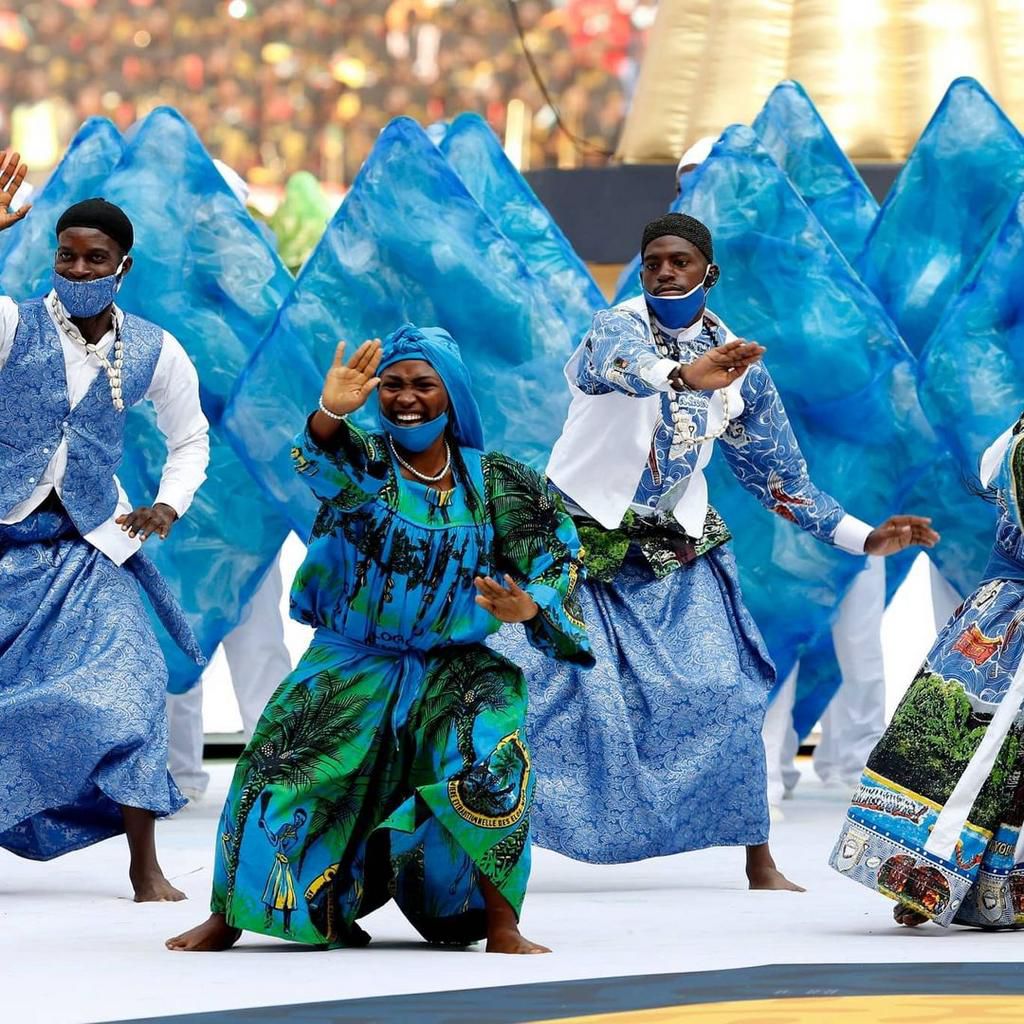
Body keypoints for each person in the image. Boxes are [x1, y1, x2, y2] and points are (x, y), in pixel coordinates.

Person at [507, 212, 937, 888]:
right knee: (525, 686)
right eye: (653, 262)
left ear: (709, 272)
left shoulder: (737, 364)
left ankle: (757, 859)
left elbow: (780, 477)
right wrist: (680, 376)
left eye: (680, 261)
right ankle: (486, 839)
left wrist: (863, 537)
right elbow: (615, 368)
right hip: (574, 537)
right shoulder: (614, 328)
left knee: (734, 687)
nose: (665, 272)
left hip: (676, 545)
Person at [167, 324, 592, 954]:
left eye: (423, 384)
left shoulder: (497, 481)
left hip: (457, 667)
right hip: (353, 659)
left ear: (452, 395)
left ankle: (502, 922)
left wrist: (531, 606)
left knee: (491, 756)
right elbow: (322, 465)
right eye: (391, 385)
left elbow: (561, 557)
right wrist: (329, 414)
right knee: (274, 771)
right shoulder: (365, 462)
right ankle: (229, 916)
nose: (406, 397)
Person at [0, 168, 211, 902]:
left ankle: (144, 865)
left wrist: (168, 505)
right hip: (4, 543)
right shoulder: (10, 324)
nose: (79, 270)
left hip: (89, 549)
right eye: (67, 256)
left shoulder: (155, 349)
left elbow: (192, 439)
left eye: (95, 259)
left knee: (133, 686)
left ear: (125, 265)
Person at [832, 415, 1024, 929]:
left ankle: (946, 881)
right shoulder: (1022, 445)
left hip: (998, 615)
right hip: (1009, 625)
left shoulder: (1012, 439)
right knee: (983, 755)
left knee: (993, 759)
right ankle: (933, 876)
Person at [166, 553, 293, 803]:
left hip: (249, 539)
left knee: (259, 651)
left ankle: (277, 773)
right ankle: (181, 777)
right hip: (183, 538)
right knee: (176, 653)